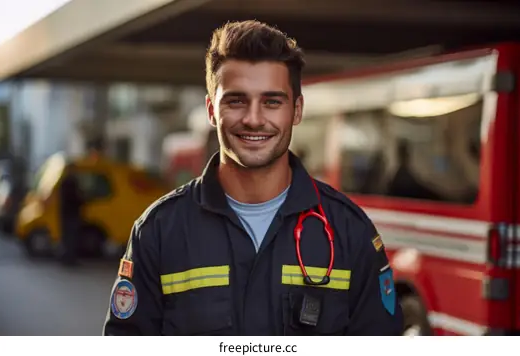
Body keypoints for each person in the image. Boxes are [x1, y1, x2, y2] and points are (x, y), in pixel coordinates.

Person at [102, 20, 403, 336]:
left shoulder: (350, 232)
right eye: (236, 101)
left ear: (296, 110)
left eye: (272, 101)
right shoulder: (159, 233)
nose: (254, 119)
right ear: (211, 110)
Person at [59, 166, 84, 266]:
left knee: (68, 237)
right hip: (72, 214)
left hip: (66, 214)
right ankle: (70, 258)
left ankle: (67, 257)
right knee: (71, 237)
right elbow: (75, 198)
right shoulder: (71, 183)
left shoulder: (64, 182)